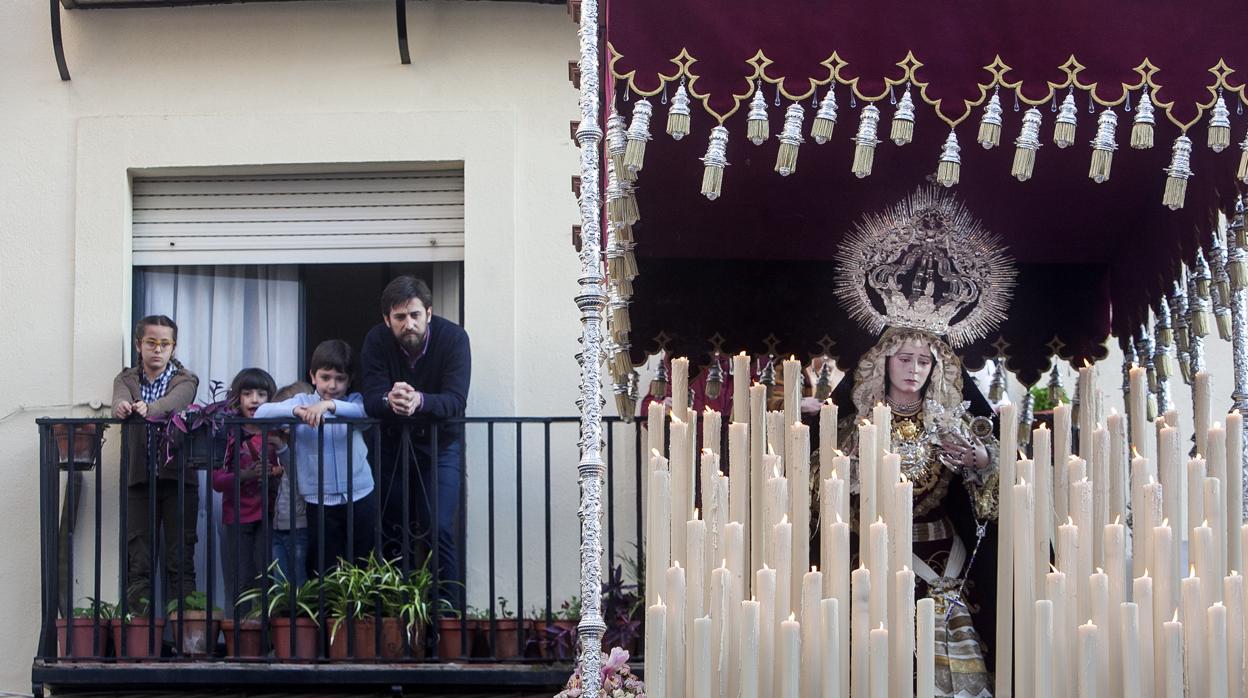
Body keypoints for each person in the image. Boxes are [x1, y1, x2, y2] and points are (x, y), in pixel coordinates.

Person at [824, 187, 1014, 697]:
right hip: (878, 558)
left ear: (938, 368)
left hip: (944, 559)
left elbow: (995, 473)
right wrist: (853, 472)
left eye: (924, 361)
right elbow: (831, 491)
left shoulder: (951, 419)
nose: (913, 370)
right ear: (884, 360)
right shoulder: (858, 423)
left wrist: (978, 460)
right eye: (905, 358)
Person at [360, 276, 470, 600]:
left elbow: (455, 401)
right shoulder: (376, 340)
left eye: (414, 315)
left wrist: (418, 400)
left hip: (440, 448)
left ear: (429, 313)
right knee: (392, 531)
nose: (408, 324)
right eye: (399, 317)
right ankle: (399, 617)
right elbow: (370, 399)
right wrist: (389, 400)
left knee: (439, 529)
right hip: (391, 447)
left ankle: (448, 620)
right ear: (386, 319)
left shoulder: (453, 339)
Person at [256, 340, 376, 577]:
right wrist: (295, 413)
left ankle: (364, 613)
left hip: (360, 493)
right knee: (325, 565)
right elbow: (262, 413)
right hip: (319, 497)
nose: (332, 385)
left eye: (340, 378)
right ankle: (329, 614)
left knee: (364, 561)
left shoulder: (353, 401)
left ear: (349, 380)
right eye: (325, 377)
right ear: (313, 376)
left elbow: (366, 412)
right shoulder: (301, 402)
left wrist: (329, 405)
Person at [111, 315, 200, 612]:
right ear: (139, 345)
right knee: (139, 561)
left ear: (173, 347)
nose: (158, 350)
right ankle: (140, 642)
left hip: (178, 481)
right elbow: (119, 400)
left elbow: (177, 401)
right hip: (140, 480)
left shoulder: (185, 379)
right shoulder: (126, 379)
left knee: (180, 561)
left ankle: (187, 642)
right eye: (151, 342)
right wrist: (121, 407)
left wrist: (149, 408)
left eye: (165, 343)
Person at [212, 368, 283, 613]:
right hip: (237, 516)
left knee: (268, 578)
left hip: (269, 514)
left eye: (262, 394)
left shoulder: (276, 433)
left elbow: (289, 470)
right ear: (237, 398)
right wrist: (246, 475)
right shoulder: (230, 433)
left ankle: (268, 640)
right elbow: (217, 480)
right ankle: (241, 639)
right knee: (241, 580)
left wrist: (273, 473)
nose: (254, 399)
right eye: (247, 393)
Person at [270, 381, 312, 586]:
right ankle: (283, 618)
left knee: (298, 583)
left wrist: (279, 447)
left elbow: (299, 470)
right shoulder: (289, 445)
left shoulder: (305, 445)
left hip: (299, 526)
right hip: (281, 524)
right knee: (281, 584)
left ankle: (298, 618)